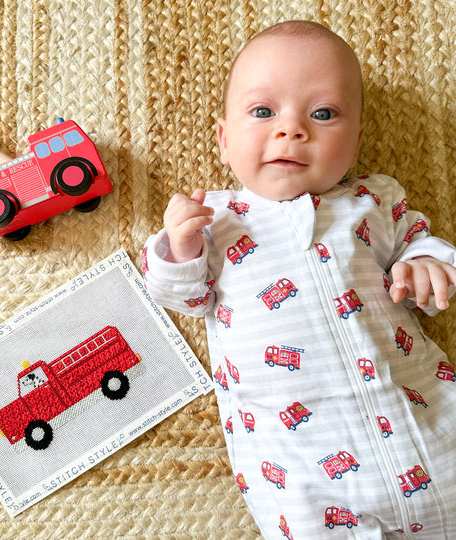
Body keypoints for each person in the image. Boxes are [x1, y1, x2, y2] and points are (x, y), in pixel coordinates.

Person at [142, 20, 456, 538]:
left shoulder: (372, 200)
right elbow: (185, 296)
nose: (291, 130)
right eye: (263, 112)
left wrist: (426, 263)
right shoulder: (215, 218)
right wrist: (179, 247)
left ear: (356, 140)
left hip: (428, 421)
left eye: (323, 113)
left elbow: (418, 241)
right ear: (224, 140)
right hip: (300, 467)